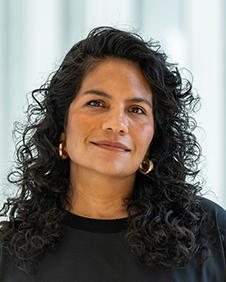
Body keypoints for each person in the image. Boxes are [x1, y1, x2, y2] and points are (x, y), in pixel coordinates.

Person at [0, 26, 225, 282]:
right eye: (96, 103)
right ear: (61, 124)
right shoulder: (8, 253)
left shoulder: (211, 233)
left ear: (154, 137)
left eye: (137, 109)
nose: (116, 123)